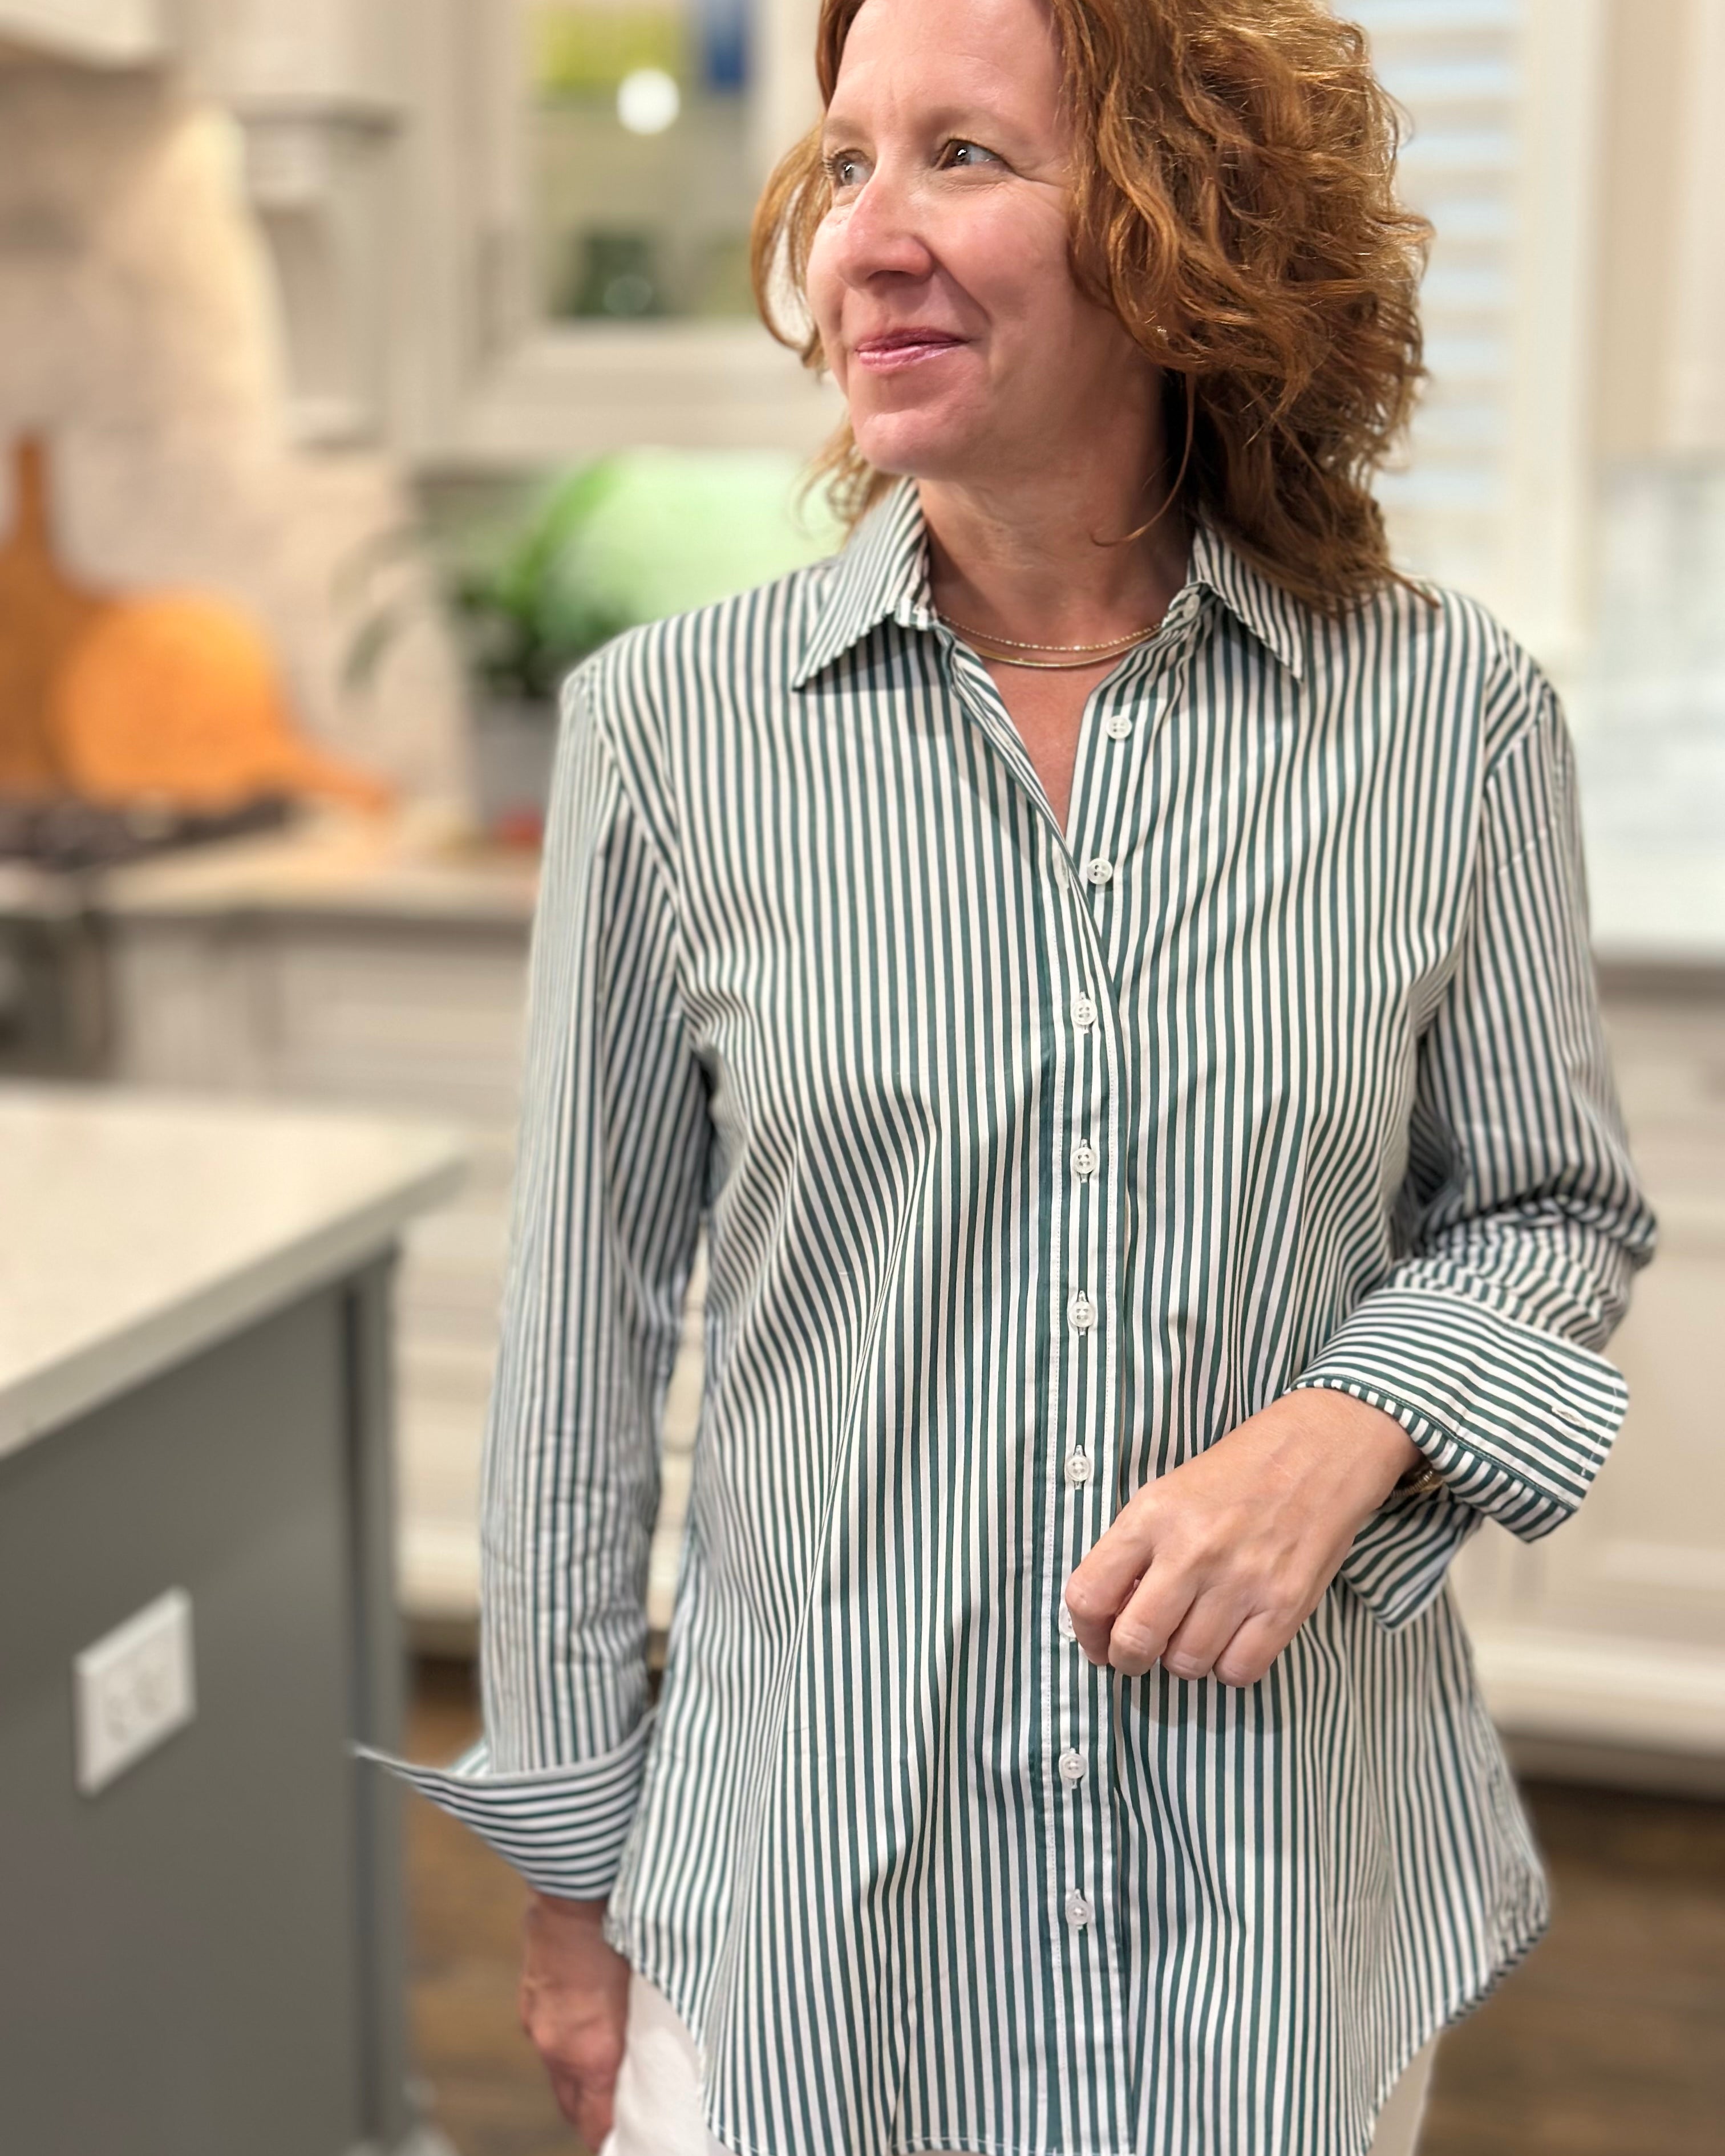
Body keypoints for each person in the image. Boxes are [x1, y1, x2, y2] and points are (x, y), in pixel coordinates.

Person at [387, 1, 1655, 2150]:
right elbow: (577, 1361)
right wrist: (570, 1879)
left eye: (963, 156)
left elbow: (1553, 1210)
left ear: (1188, 226)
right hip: (804, 1925)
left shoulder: (1446, 722)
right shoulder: (672, 737)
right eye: (846, 163)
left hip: (1272, 1919)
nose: (863, 238)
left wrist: (1350, 1424)